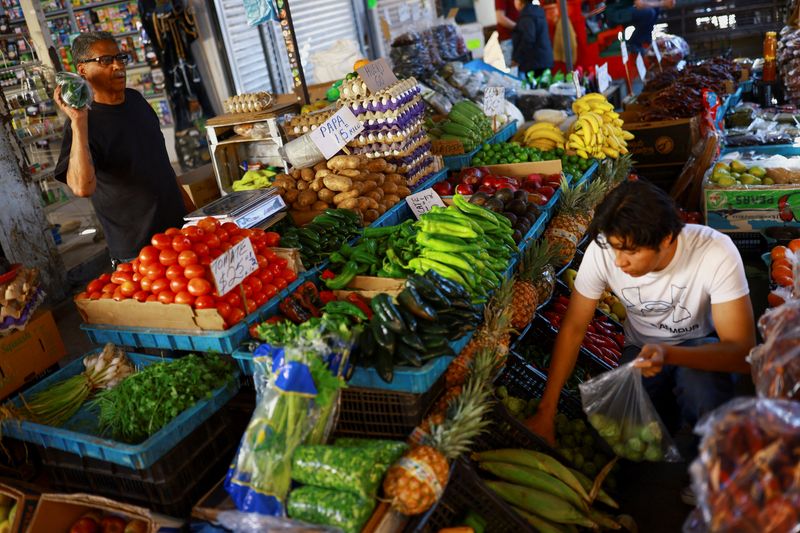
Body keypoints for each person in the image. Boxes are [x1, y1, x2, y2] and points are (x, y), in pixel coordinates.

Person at [526, 180, 755, 452]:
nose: (619, 262)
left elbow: (742, 353)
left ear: (667, 238)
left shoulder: (714, 251)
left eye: (631, 251)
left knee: (700, 387)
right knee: (609, 438)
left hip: (700, 346)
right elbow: (574, 328)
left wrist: (668, 354)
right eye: (614, 248)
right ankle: (667, 418)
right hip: (639, 351)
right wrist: (546, 410)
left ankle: (711, 466)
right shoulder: (602, 252)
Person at [54, 31, 192, 266]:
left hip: (180, 232)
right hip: (138, 251)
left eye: (120, 57)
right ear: (82, 70)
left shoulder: (136, 100)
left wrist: (192, 215)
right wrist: (78, 121)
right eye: (105, 60)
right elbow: (82, 188)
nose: (117, 65)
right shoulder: (82, 124)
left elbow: (162, 163)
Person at [604, 0, 675, 54]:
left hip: (624, 9)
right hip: (615, 14)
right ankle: (632, 43)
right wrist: (663, 3)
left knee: (655, 9)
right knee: (649, 12)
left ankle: (645, 40)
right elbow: (640, 4)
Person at [511, 0, 554, 77]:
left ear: (520, 2)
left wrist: (517, 58)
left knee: (536, 88)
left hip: (534, 62)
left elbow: (528, 39)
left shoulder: (527, 16)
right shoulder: (537, 11)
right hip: (544, 59)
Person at [495, 0, 520, 66]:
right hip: (508, 39)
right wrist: (519, 27)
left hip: (518, 37)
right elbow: (500, 17)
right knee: (514, 69)